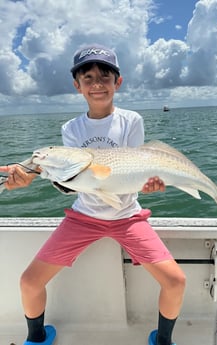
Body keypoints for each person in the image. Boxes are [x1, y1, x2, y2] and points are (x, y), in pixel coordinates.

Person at [0, 44, 186, 345]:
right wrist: (31, 174)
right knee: (29, 281)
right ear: (77, 85)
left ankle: (163, 340)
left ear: (118, 82)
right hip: (84, 217)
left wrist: (149, 184)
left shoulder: (131, 121)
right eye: (88, 77)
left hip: (127, 216)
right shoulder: (71, 128)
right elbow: (70, 176)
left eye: (105, 76)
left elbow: (135, 167)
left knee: (176, 281)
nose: (97, 83)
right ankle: (36, 337)